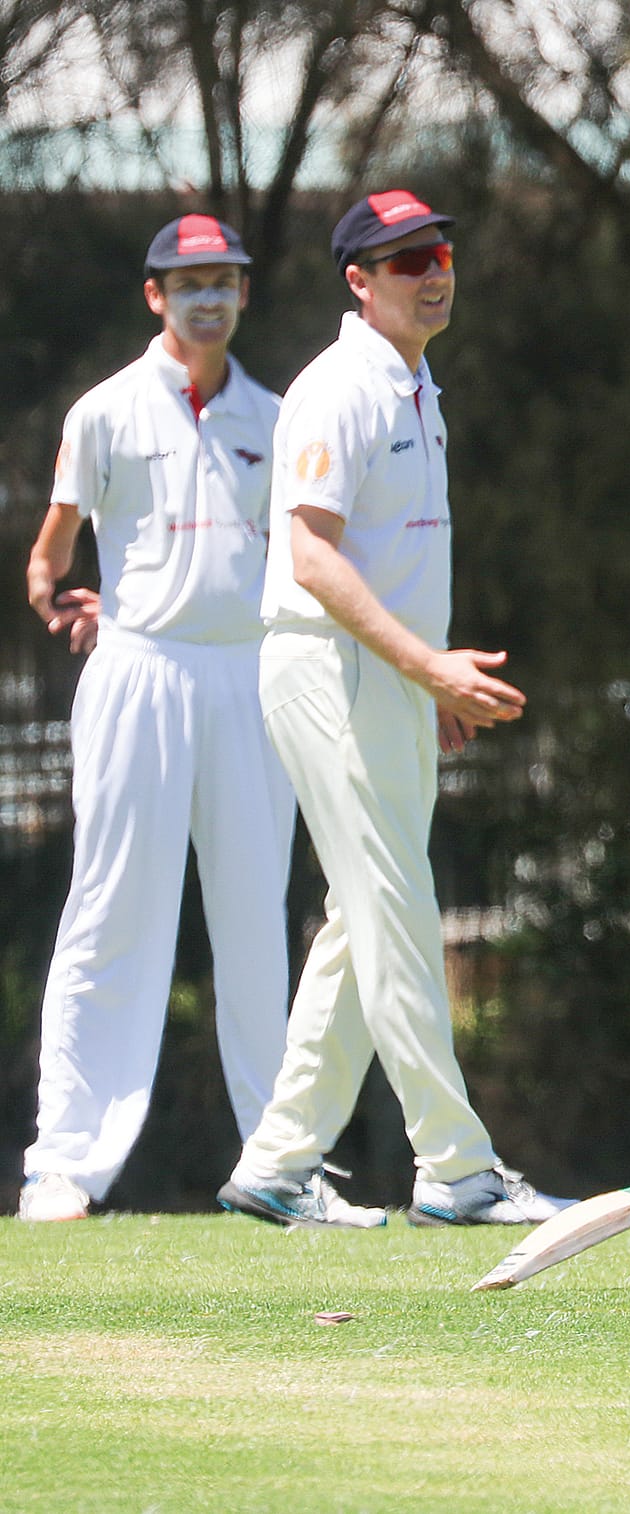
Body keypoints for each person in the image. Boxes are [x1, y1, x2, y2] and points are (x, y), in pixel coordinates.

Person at [217, 190, 567, 1229]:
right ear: (358, 281)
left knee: (360, 916)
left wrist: (422, 675)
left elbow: (386, 557)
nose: (432, 270)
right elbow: (313, 555)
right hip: (329, 666)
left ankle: (278, 1163)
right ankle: (455, 1167)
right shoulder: (337, 388)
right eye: (405, 258)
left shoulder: (417, 384)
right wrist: (425, 665)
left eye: (440, 251)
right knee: (398, 907)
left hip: (382, 672)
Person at [18, 215, 296, 1224]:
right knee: (112, 910)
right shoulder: (102, 414)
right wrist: (64, 603)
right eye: (189, 284)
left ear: (243, 294)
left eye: (223, 281)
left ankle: (283, 1160)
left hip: (248, 676)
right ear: (155, 296)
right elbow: (49, 555)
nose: (207, 299)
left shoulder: (275, 416)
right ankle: (65, 1161)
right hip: (139, 669)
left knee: (255, 918)